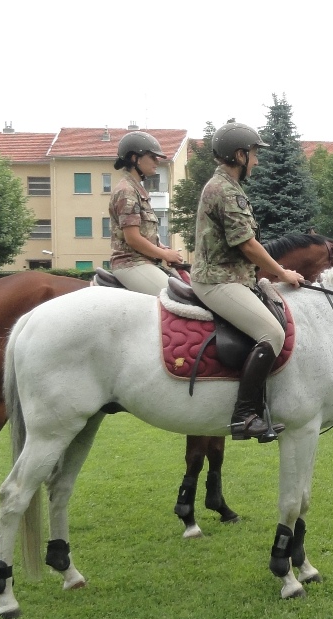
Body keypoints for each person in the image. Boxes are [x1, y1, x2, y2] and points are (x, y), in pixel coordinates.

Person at [190, 121, 305, 442]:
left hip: (232, 278)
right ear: (240, 155)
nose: (257, 160)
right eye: (254, 154)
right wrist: (283, 273)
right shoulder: (226, 190)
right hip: (218, 281)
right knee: (272, 332)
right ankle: (244, 416)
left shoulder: (227, 187)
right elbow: (247, 244)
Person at [109, 132, 187, 292]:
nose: (157, 161)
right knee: (177, 295)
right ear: (134, 158)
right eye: (152, 156)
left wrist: (164, 249)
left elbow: (145, 234)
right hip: (131, 263)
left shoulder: (136, 189)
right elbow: (133, 239)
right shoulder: (127, 191)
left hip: (146, 262)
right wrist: (164, 255)